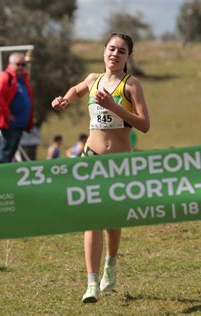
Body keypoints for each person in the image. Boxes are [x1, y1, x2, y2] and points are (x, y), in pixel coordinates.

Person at [51, 32, 150, 304]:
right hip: (91, 158)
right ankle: (91, 283)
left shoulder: (131, 85)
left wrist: (115, 108)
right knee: (91, 218)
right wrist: (65, 100)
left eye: (121, 51)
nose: (115, 54)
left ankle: (111, 265)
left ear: (128, 56)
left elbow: (144, 125)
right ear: (103, 51)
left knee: (112, 221)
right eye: (111, 48)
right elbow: (76, 90)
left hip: (119, 164)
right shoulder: (93, 80)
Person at [0, 53, 34, 163]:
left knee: (11, 152)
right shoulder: (5, 77)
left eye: (23, 64)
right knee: (5, 152)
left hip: (20, 124)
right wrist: (7, 114)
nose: (21, 67)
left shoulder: (23, 78)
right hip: (10, 124)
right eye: (18, 64)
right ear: (11, 64)